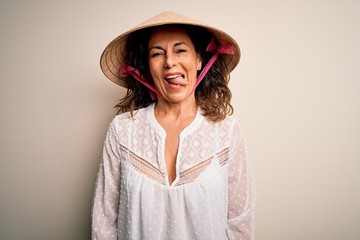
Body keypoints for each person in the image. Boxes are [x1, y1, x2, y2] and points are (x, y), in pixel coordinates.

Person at [92, 11, 255, 240]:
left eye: (180, 50)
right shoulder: (122, 130)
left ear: (199, 60)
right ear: (147, 67)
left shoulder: (227, 131)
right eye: (157, 54)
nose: (170, 62)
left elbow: (241, 225)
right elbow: (104, 223)